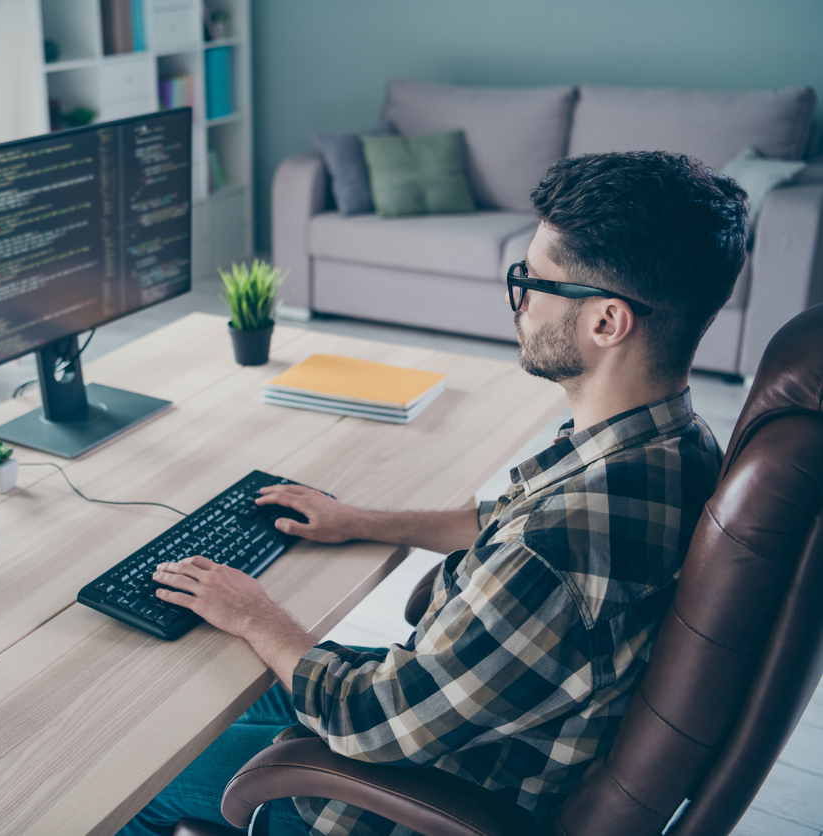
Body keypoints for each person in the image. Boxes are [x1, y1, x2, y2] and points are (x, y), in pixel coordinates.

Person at [117, 150, 750, 836]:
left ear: (606, 323)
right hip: (478, 719)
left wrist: (256, 613)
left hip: (415, 794)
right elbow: (505, 520)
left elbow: (372, 720)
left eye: (533, 280)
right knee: (209, 703)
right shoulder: (670, 447)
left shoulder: (553, 555)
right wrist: (360, 519)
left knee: (132, 780)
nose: (522, 300)